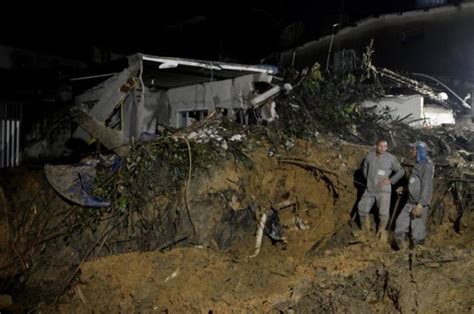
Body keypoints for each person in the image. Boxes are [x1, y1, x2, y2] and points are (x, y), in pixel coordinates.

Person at [356, 139, 405, 242]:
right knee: (362, 209)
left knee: (383, 213)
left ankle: (381, 232)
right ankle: (365, 232)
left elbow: (401, 171)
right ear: (376, 146)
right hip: (370, 189)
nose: (382, 148)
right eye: (380, 146)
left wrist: (391, 180)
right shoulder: (369, 157)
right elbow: (365, 170)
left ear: (387, 148)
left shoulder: (391, 158)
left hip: (384, 190)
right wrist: (369, 181)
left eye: (385, 146)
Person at [394, 141, 434, 249]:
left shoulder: (427, 165)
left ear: (419, 151)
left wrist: (420, 205)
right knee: (400, 226)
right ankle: (403, 252)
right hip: (409, 202)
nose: (410, 151)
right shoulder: (418, 163)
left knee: (418, 231)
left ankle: (418, 254)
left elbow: (427, 186)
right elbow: (416, 182)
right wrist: (406, 189)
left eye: (413, 149)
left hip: (418, 204)